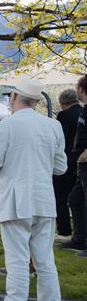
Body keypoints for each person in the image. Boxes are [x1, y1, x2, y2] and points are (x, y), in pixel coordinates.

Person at [0, 78, 66, 301]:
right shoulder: (53, 126)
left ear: (14, 98)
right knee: (45, 262)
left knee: (17, 261)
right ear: (37, 101)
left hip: (15, 200)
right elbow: (60, 167)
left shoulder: (6, 126)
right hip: (44, 200)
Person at [54, 89, 81, 237]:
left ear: (63, 102)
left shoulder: (64, 115)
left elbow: (60, 140)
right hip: (81, 162)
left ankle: (64, 230)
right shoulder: (83, 112)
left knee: (60, 197)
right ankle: (81, 232)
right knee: (79, 201)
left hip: (67, 162)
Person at [66, 76, 87, 256]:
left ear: (81, 88)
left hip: (86, 161)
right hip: (81, 164)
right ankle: (79, 240)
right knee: (75, 199)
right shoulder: (84, 110)